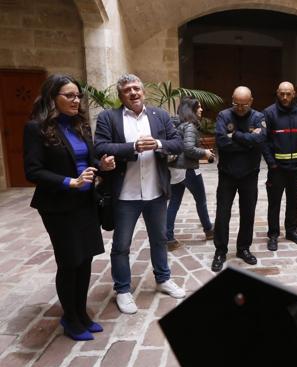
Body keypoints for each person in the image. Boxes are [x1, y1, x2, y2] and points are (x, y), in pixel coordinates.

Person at [23, 74, 116, 340]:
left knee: (85, 259)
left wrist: (102, 166)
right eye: (70, 96)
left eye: (78, 96)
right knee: (69, 261)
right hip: (58, 206)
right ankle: (70, 318)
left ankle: (81, 313)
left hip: (84, 203)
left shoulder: (80, 125)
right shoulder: (36, 128)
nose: (76, 100)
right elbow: (33, 171)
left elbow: (89, 159)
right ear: (53, 97)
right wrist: (70, 182)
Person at [94, 74, 185, 314]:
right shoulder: (108, 118)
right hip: (125, 195)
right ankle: (123, 290)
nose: (133, 93)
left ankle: (163, 279)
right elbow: (101, 146)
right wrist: (132, 147)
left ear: (143, 91)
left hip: (156, 192)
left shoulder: (160, 116)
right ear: (120, 95)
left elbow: (177, 143)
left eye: (136, 88)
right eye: (127, 90)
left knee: (159, 239)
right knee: (121, 245)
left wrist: (157, 144)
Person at [211, 86, 266, 272]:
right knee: (222, 213)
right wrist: (247, 141)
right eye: (236, 104)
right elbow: (221, 142)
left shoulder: (258, 117)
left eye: (244, 104)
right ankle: (220, 251)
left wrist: (234, 135)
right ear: (232, 100)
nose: (240, 108)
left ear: (251, 101)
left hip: (250, 174)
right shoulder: (223, 116)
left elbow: (259, 141)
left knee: (248, 213)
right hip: (227, 174)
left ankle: (243, 248)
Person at [262, 81, 297, 251]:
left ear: (294, 94)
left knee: (293, 201)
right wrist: (271, 163)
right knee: (274, 203)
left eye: (288, 94)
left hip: (295, 167)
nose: (285, 97)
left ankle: (291, 231)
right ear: (277, 93)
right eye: (282, 93)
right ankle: (273, 235)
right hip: (277, 169)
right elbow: (264, 141)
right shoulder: (269, 113)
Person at [165, 97, 215, 251]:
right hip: (188, 170)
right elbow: (189, 149)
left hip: (175, 169)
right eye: (198, 107)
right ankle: (209, 230)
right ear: (191, 110)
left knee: (174, 203)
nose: (201, 110)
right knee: (201, 201)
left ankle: (168, 238)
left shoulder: (177, 124)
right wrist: (206, 153)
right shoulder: (190, 127)